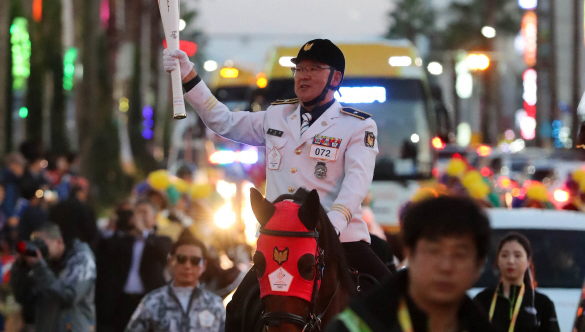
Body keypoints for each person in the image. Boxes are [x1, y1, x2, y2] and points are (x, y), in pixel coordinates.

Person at [164, 39, 389, 279]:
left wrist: (330, 227)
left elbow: (357, 183)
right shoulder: (276, 115)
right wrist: (187, 73)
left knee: (391, 301)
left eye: (313, 69)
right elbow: (223, 121)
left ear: (335, 79)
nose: (303, 76)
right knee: (237, 310)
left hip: (339, 240)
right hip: (279, 241)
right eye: (299, 69)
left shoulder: (357, 126)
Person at [325, 196, 495, 332]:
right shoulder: (354, 326)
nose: (446, 266)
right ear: (409, 253)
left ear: (478, 266)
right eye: (433, 251)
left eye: (459, 254)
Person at [95, 199, 172, 332]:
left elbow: (162, 254)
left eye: (144, 213)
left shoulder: (162, 240)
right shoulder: (124, 240)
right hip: (123, 301)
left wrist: (144, 232)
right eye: (137, 213)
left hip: (148, 300)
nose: (140, 217)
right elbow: (106, 251)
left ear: (154, 218)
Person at [125, 230, 225, 332]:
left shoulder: (215, 304)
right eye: (181, 259)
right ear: (171, 262)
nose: (187, 266)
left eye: (195, 260)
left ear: (203, 266)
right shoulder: (152, 301)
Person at [10, 222, 96, 332]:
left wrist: (39, 267)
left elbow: (68, 297)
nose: (39, 249)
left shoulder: (81, 259)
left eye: (42, 244)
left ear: (59, 241)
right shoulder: (43, 264)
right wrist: (21, 267)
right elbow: (23, 297)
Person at [474, 233, 560, 332]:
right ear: (498, 260)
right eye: (504, 255)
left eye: (517, 256)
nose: (510, 261)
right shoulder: (482, 300)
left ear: (528, 261)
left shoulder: (542, 303)